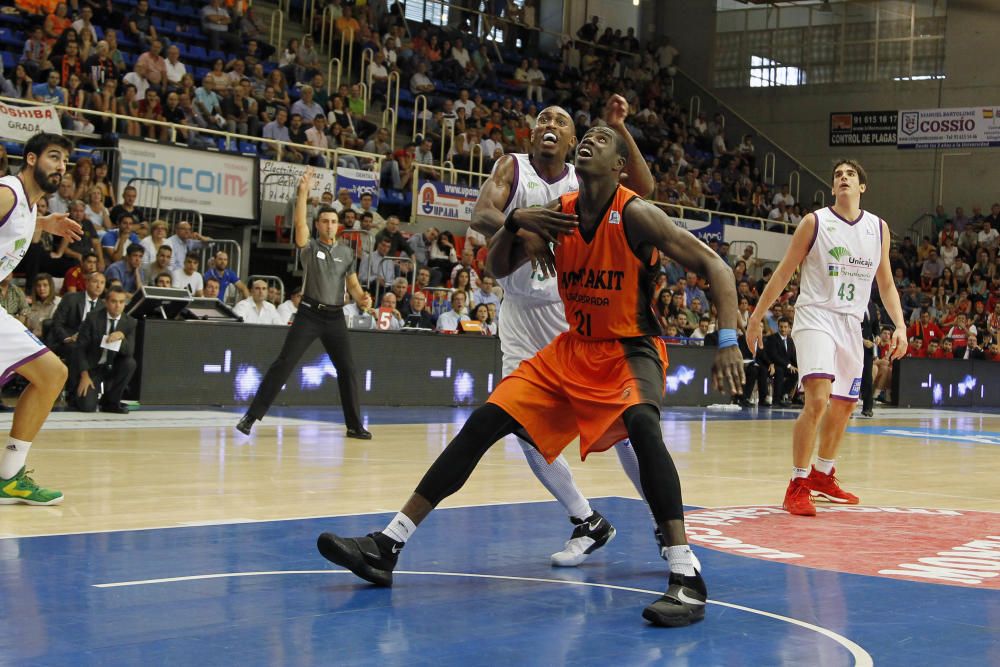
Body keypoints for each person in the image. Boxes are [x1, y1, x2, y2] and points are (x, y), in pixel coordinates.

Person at [316, 126, 745, 628]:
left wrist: (728, 339)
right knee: (485, 422)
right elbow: (497, 266)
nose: (587, 140)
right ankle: (386, 545)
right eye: (585, 136)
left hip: (629, 348)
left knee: (644, 431)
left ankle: (685, 574)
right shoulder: (558, 213)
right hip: (571, 350)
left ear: (619, 166)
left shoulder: (635, 214)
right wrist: (516, 222)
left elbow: (716, 265)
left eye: (602, 139)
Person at [464, 98, 659, 566]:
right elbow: (481, 217)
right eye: (543, 119)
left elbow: (645, 187)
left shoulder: (583, 180)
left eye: (561, 121)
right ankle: (586, 520)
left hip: (569, 313)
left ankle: (662, 516)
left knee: (622, 426)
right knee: (524, 426)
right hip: (517, 313)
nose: (550, 124)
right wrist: (521, 221)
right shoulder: (511, 168)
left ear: (573, 142)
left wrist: (619, 127)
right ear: (533, 135)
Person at [746, 159, 908, 517]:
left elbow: (886, 284)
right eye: (838, 175)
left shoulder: (878, 228)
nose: (844, 178)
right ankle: (797, 483)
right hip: (816, 316)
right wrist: (756, 317)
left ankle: (823, 474)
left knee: (845, 405)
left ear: (862, 187)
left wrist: (900, 325)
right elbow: (784, 273)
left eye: (851, 174)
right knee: (817, 400)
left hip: (852, 323)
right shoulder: (815, 222)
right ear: (833, 188)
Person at [236, 170, 370, 440]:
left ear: (338, 225)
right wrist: (302, 194)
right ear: (318, 225)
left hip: (335, 318)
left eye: (334, 221)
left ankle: (354, 425)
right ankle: (251, 416)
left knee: (348, 369)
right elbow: (299, 227)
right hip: (309, 313)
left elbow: (353, 286)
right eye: (325, 221)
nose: (330, 225)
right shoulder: (309, 247)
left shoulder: (346, 252)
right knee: (284, 363)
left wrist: (363, 298)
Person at [0, 132, 82, 505]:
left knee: (52, 374)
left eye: (64, 161)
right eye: (53, 156)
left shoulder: (30, 208)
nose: (60, 166)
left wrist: (44, 224)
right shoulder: (7, 192)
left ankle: (10, 476)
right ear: (31, 159)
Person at [71, 285, 136, 414]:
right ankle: (75, 396)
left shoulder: (130, 322)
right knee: (87, 407)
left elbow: (130, 351)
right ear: (105, 302)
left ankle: (110, 402)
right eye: (113, 301)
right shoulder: (92, 318)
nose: (118, 305)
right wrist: (84, 375)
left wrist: (121, 337)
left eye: (121, 302)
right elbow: (80, 349)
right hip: (92, 368)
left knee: (130, 363)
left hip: (112, 366)